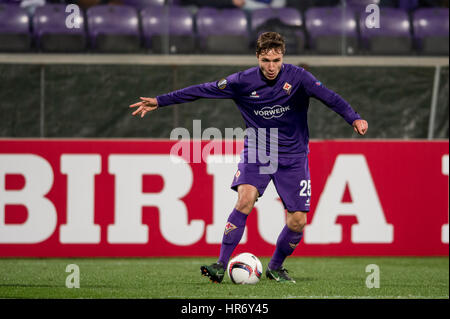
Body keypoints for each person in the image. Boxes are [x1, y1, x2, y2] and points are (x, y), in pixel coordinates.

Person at [129, 32, 368, 283]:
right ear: (257, 57)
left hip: (294, 156)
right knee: (245, 199)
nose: (271, 66)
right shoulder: (241, 81)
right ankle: (220, 265)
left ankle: (275, 267)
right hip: (258, 151)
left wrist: (354, 117)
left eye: (276, 60)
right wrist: (160, 101)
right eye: (266, 60)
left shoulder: (299, 78)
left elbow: (330, 98)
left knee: (297, 221)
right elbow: (201, 90)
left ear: (283, 57)